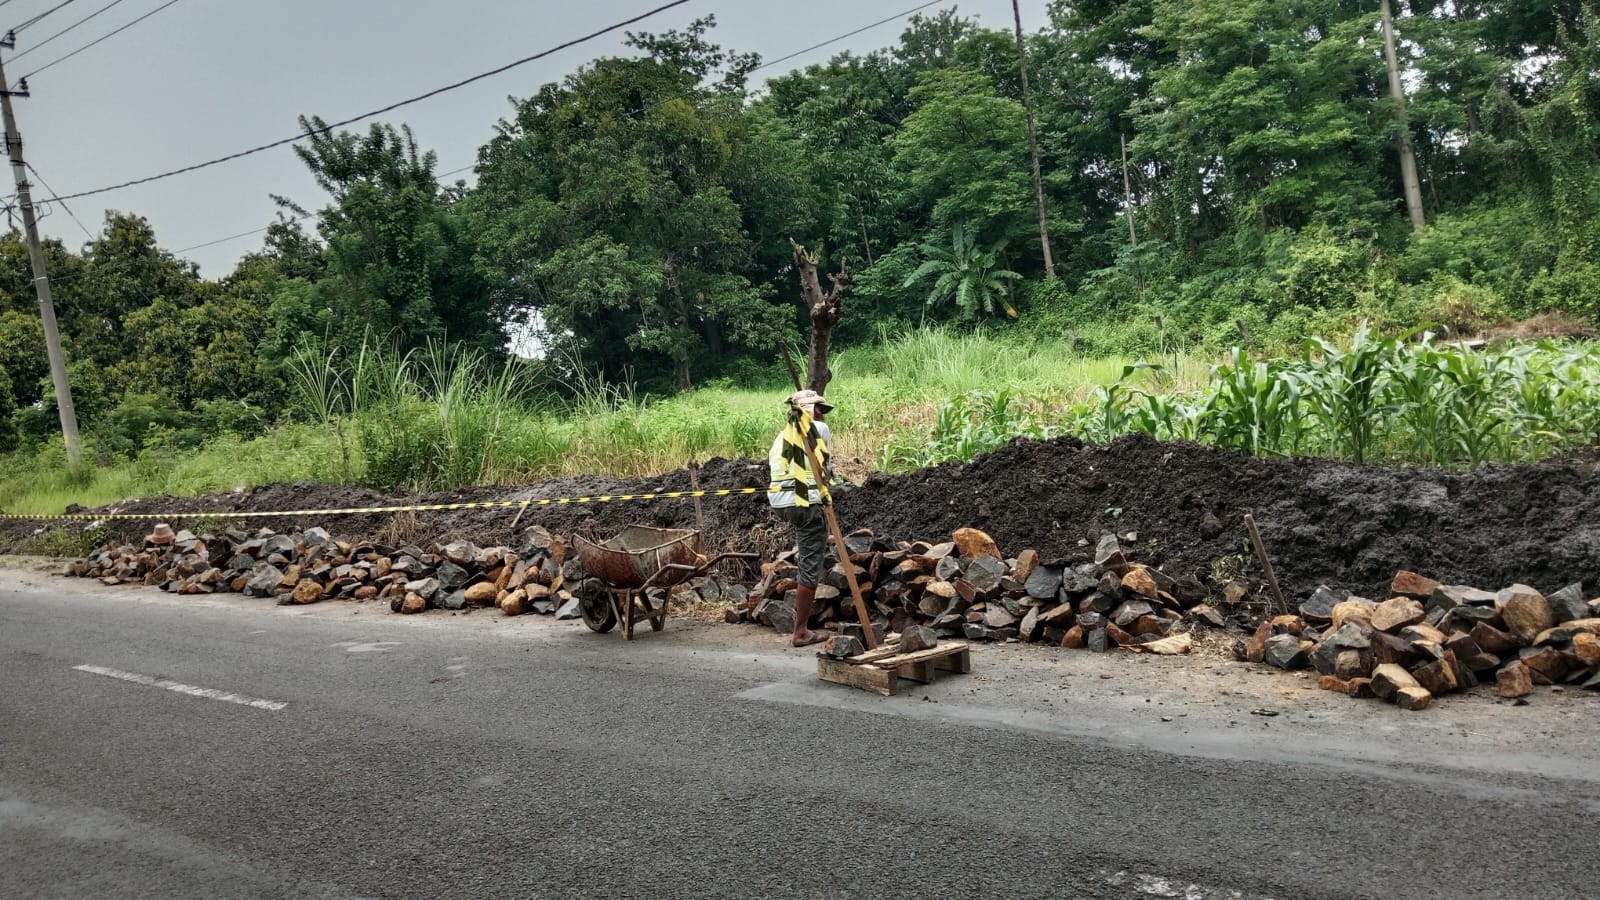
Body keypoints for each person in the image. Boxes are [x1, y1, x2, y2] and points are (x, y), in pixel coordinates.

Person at [769, 388, 835, 647]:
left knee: (810, 539)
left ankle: (817, 538)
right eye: (819, 409)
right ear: (811, 411)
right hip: (805, 503)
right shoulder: (819, 429)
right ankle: (801, 632)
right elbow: (825, 469)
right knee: (810, 563)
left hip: (781, 504)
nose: (823, 415)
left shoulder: (780, 437)